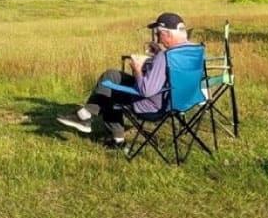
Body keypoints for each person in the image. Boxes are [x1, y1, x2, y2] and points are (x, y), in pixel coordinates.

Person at [57, 12, 195, 145]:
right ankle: (90, 119)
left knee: (110, 87)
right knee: (112, 76)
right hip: (177, 101)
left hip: (153, 107)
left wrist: (137, 69)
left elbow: (146, 91)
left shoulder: (164, 57)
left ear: (168, 33)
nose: (158, 39)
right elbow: (173, 73)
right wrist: (158, 52)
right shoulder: (193, 51)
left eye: (159, 34)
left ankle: (86, 118)